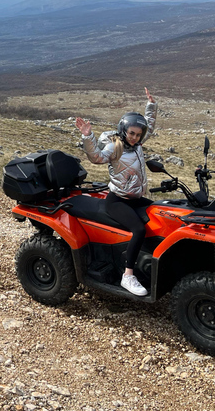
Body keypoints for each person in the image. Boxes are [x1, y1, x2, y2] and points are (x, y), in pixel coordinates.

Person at [75, 88, 157, 296]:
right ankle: (127, 276)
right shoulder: (116, 146)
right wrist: (88, 136)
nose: (135, 137)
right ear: (123, 130)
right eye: (131, 133)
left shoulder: (137, 145)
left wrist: (151, 106)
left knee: (159, 216)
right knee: (139, 229)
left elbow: (150, 126)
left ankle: (147, 264)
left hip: (135, 198)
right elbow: (96, 157)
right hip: (118, 201)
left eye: (138, 135)